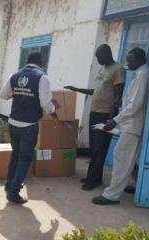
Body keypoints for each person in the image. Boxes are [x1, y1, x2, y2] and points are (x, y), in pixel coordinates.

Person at [65, 44, 126, 191]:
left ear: (106, 54)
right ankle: (95, 177)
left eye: (99, 57)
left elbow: (117, 97)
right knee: (94, 147)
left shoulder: (118, 70)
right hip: (95, 112)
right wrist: (77, 89)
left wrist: (112, 118)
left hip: (105, 114)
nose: (97, 59)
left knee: (100, 147)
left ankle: (92, 180)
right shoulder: (103, 68)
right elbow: (96, 90)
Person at [92, 48, 149, 205]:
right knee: (130, 158)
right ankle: (135, 185)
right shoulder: (140, 73)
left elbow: (135, 105)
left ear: (140, 59)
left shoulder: (143, 75)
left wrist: (114, 120)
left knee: (121, 156)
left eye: (130, 60)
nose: (127, 63)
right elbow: (132, 101)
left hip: (132, 125)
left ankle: (111, 195)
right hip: (130, 123)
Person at [0, 52, 57, 204]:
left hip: (13, 122)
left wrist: (18, 94)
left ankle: (9, 184)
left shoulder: (15, 75)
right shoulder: (42, 77)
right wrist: (53, 112)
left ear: (27, 61)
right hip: (28, 125)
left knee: (16, 155)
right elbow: (45, 104)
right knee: (25, 158)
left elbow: (3, 95)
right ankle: (14, 191)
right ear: (40, 61)